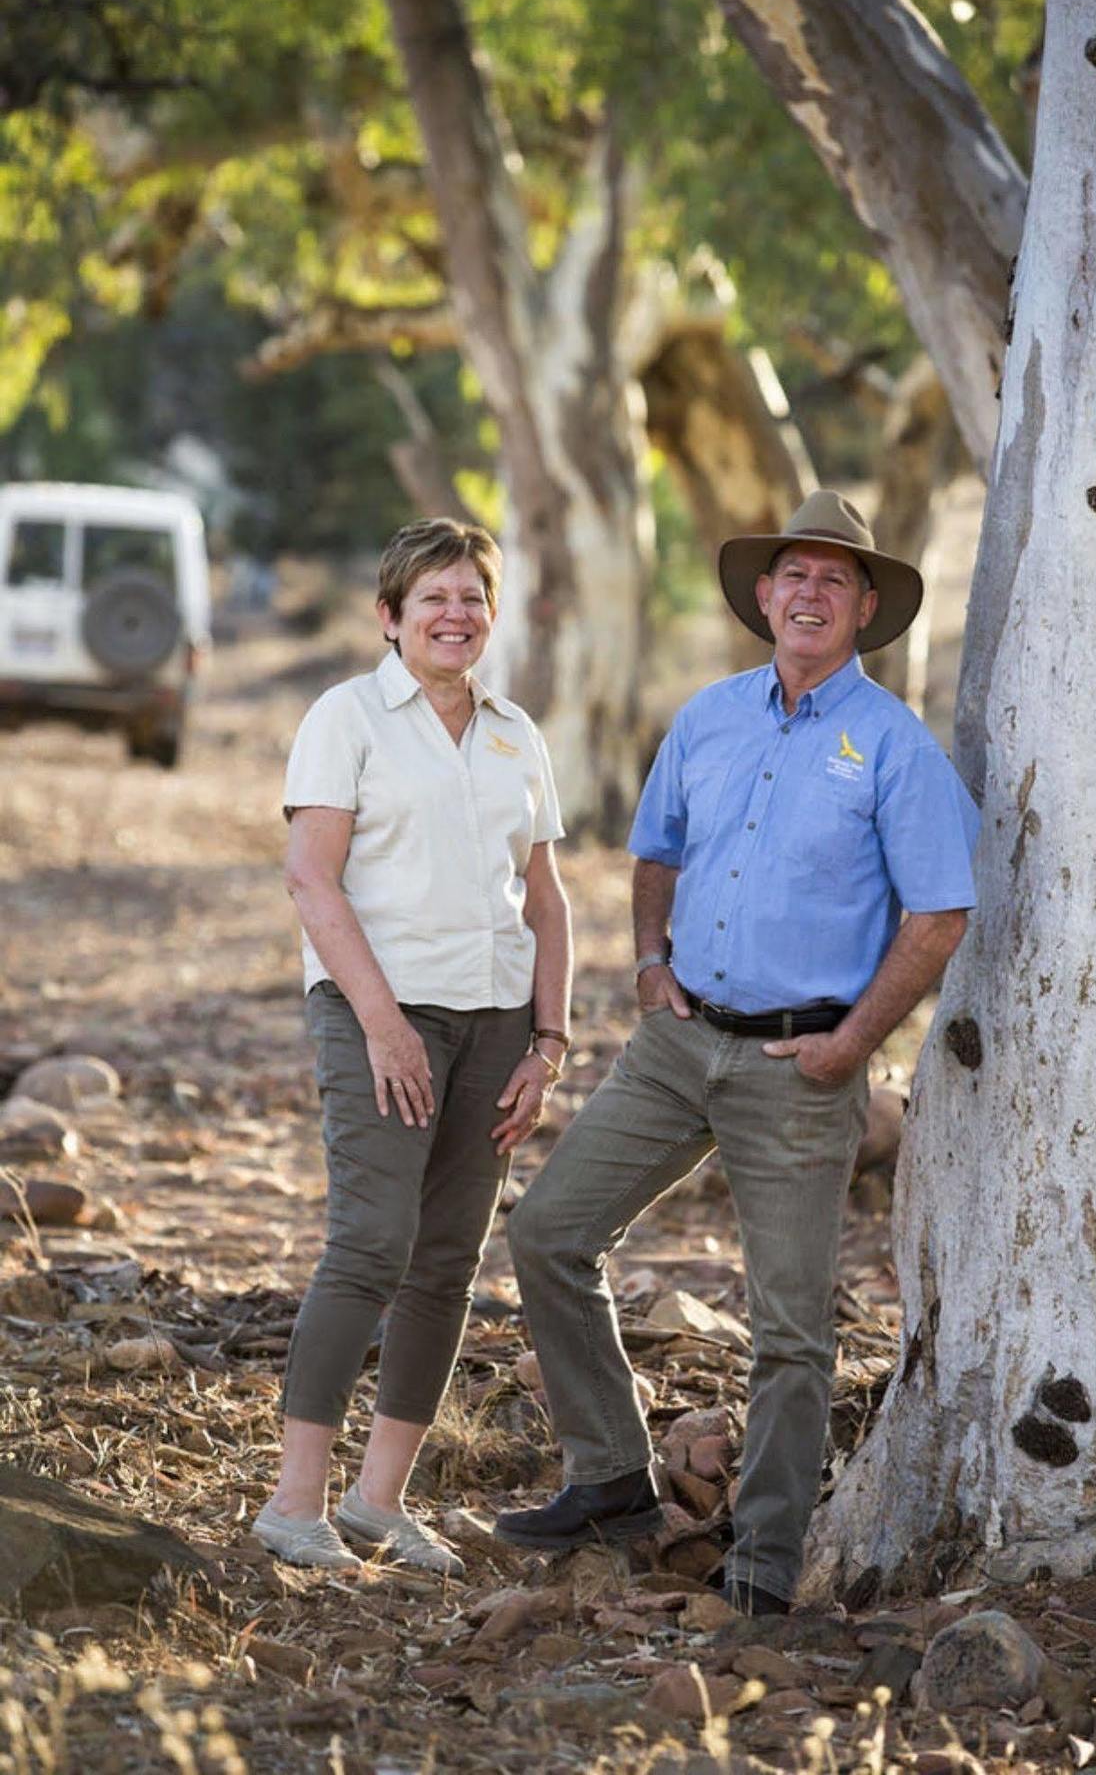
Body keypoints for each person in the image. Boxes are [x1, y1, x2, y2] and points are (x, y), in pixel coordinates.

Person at [497, 489, 979, 1613]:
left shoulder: (894, 749)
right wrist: (650, 963)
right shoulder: (709, 717)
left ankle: (762, 1569)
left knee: (791, 1333)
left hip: (798, 1073)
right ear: (762, 596)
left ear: (865, 606)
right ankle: (612, 1479)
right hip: (675, 1045)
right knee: (548, 1233)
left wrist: (851, 1045)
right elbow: (656, 850)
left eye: (832, 579)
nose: (807, 593)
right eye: (790, 575)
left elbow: (940, 916)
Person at [253, 517, 572, 1572]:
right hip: (376, 1012)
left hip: (493, 1024)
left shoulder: (517, 733)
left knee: (443, 1266)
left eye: (473, 597)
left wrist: (549, 1040)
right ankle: (293, 1505)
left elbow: (545, 899)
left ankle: (377, 1504)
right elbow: (311, 878)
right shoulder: (344, 719)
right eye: (433, 597)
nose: (456, 615)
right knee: (370, 1243)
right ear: (389, 617)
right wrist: (383, 1025)